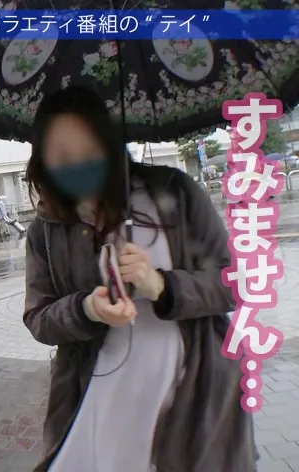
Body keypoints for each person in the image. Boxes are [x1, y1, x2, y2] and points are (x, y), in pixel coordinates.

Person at [22, 86, 254, 472]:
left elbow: (232, 284)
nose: (77, 164)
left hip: (192, 398)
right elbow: (39, 318)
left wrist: (162, 286)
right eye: (62, 155)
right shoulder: (45, 230)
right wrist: (86, 309)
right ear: (43, 160)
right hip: (100, 405)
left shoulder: (173, 193)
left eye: (89, 150)